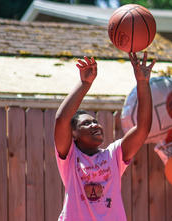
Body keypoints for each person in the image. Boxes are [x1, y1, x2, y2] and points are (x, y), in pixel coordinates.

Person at [54, 52, 155, 221]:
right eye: (85, 124)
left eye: (95, 121)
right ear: (74, 134)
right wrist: (85, 83)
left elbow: (143, 129)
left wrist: (143, 83)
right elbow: (61, 119)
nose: (94, 125)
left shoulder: (113, 155)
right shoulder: (70, 158)